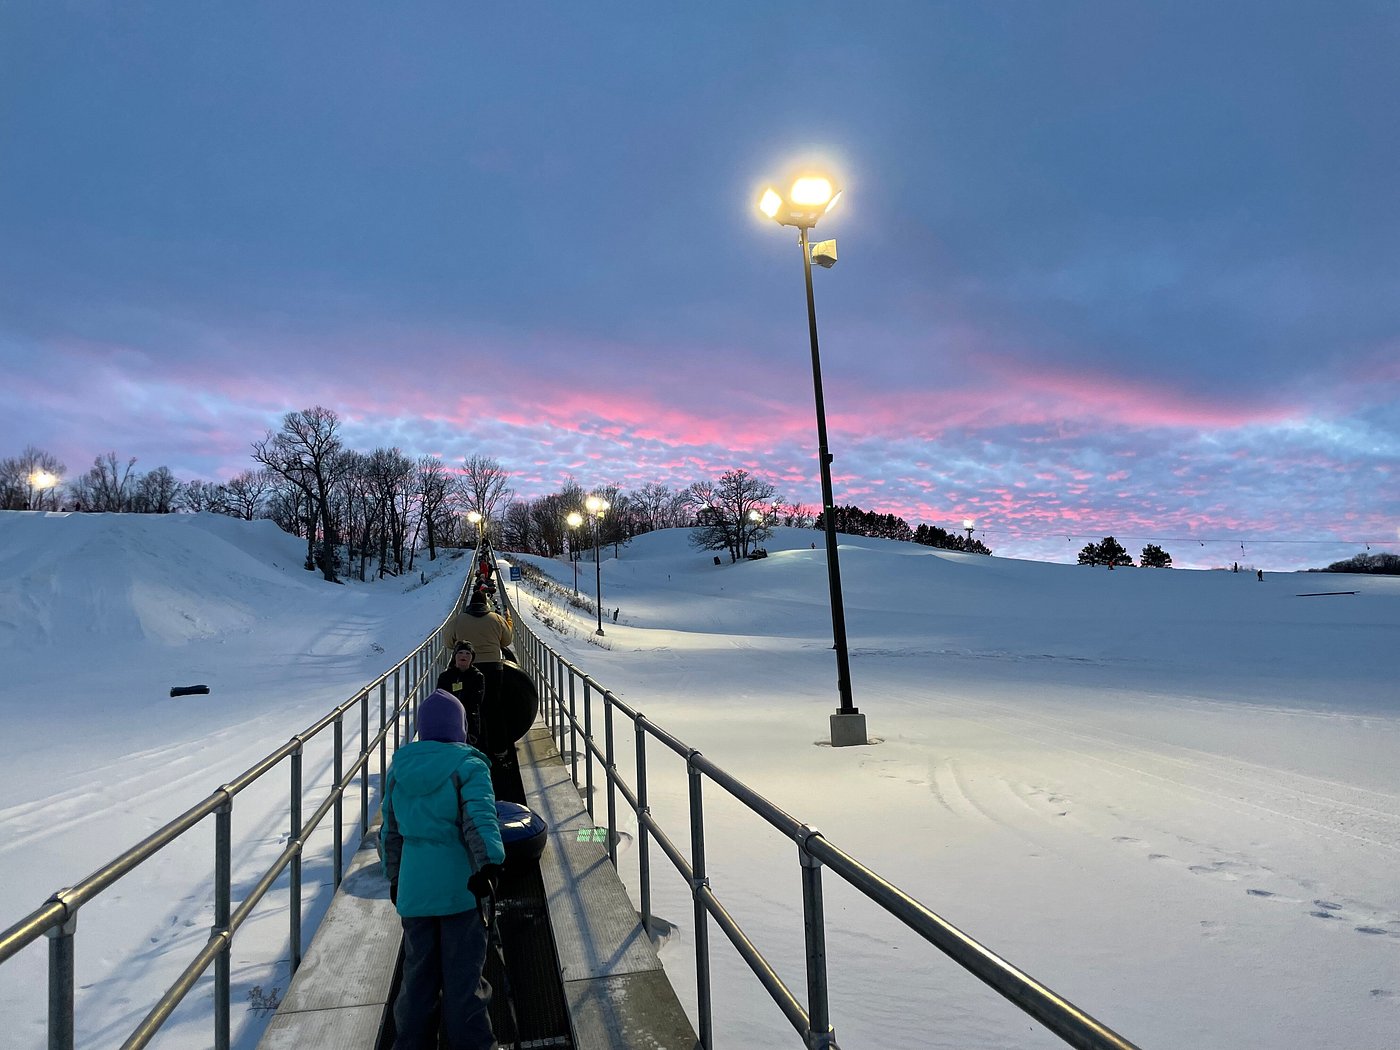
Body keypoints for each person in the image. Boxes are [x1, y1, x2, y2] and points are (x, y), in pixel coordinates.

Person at [381, 689, 505, 1050]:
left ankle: (412, 1043)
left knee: (417, 977)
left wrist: (395, 876)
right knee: (463, 979)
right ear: (460, 727)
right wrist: (491, 864)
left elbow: (390, 830)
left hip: (415, 891)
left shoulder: (400, 768)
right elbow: (479, 819)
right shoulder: (468, 765)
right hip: (460, 890)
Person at [436, 641, 486, 747]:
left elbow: (476, 700)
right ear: (455, 656)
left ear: (472, 658)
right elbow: (439, 697)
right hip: (449, 718)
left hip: (469, 719)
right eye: (460, 653)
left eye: (468, 653)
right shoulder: (445, 676)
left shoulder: (477, 676)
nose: (464, 656)